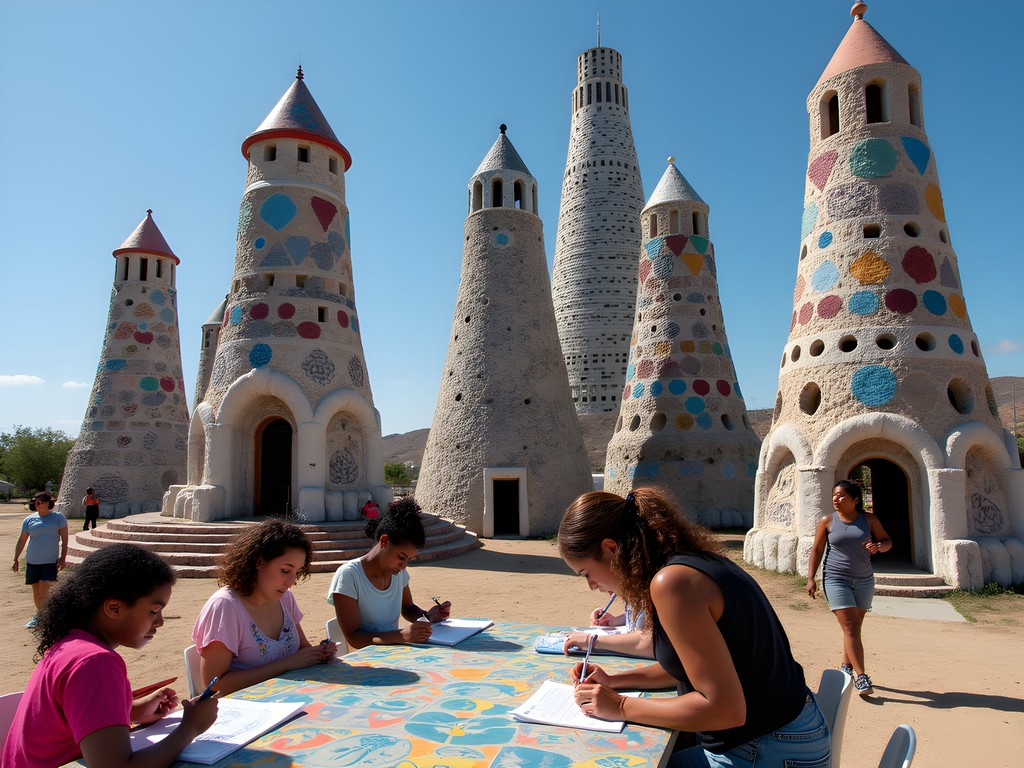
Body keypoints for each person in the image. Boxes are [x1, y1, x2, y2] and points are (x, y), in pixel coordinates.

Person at [560, 489, 829, 768]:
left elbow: (725, 710)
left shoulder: (673, 583)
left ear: (611, 549)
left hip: (768, 748)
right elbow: (695, 669)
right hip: (785, 736)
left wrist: (619, 706)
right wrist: (615, 681)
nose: (592, 585)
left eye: (587, 574)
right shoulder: (687, 565)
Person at [2, 543, 218, 768]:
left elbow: (71, 713)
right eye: (154, 611)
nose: (160, 622)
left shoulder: (72, 644)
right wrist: (190, 728)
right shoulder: (94, 662)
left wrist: (130, 710)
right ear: (114, 608)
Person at [192, 519, 337, 697]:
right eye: (285, 570)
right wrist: (286, 664)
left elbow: (302, 650)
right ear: (259, 562)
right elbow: (214, 687)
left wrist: (320, 652)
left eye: (297, 572)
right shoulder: (225, 607)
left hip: (292, 700)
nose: (292, 582)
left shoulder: (285, 599)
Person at [806, 479, 892, 697]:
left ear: (855, 500)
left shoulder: (868, 519)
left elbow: (887, 540)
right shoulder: (827, 521)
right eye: (835, 495)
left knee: (853, 628)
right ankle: (862, 677)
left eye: (841, 495)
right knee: (851, 626)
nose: (836, 498)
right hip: (836, 579)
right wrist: (811, 578)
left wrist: (878, 547)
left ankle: (846, 667)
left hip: (863, 580)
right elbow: (817, 550)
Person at [328, 497, 451, 648]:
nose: (403, 566)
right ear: (384, 541)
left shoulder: (398, 573)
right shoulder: (348, 576)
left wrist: (427, 617)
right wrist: (402, 635)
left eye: (409, 560)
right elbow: (354, 638)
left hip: (394, 654)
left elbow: (408, 607)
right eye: (401, 557)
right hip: (364, 663)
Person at [12, 491, 68, 628]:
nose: (36, 504)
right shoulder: (29, 519)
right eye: (35, 502)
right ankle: (41, 616)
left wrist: (63, 557)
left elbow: (65, 539)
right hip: (32, 560)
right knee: (36, 590)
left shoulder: (58, 518)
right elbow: (22, 540)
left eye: (40, 502)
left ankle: (55, 613)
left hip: (49, 561)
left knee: (44, 590)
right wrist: (16, 558)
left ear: (49, 503)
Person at [562, 592, 653, 658]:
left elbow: (647, 642)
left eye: (587, 574)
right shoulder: (635, 595)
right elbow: (637, 619)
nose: (593, 586)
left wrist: (590, 641)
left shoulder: (651, 593)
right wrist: (615, 621)